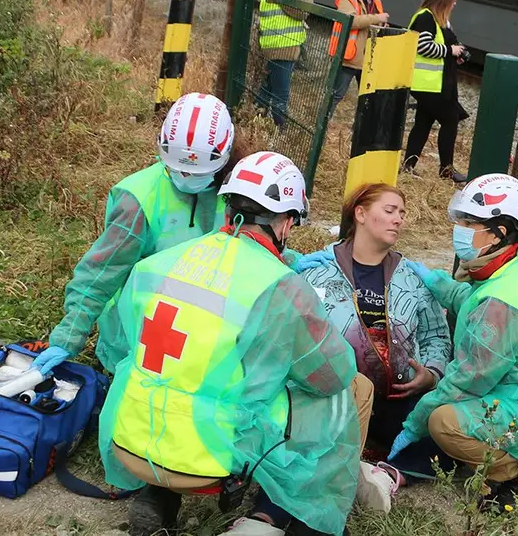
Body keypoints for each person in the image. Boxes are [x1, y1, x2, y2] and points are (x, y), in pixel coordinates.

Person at [98, 151, 361, 536]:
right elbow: (332, 376)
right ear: (286, 223)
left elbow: (117, 344)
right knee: (340, 400)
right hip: (206, 457)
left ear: (226, 205)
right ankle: (294, 518)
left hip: (130, 438)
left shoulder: (162, 262)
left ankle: (157, 498)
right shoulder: (283, 288)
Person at [394, 174, 518, 512]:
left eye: (469, 222)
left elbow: (465, 382)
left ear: (499, 232)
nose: (458, 228)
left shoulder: (502, 307)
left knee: (442, 422)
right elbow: (477, 303)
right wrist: (437, 282)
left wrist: (412, 426)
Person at [32, 93, 241, 376]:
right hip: (138, 341)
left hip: (205, 340)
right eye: (179, 169)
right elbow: (101, 273)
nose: (187, 178)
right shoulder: (139, 200)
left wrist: (285, 261)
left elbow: (250, 245)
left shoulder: (236, 193)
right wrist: (67, 338)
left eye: (198, 171)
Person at [292, 183, 455, 512]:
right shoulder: (316, 273)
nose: (398, 219)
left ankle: (385, 476)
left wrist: (432, 374)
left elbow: (437, 337)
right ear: (361, 214)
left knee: (448, 436)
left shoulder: (411, 278)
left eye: (402, 213)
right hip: (336, 396)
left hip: (397, 397)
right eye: (390, 210)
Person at [403, 0, 470, 183]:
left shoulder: (442, 21)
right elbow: (422, 46)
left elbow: (450, 44)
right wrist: (451, 51)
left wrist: (460, 53)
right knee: (450, 120)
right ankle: (446, 169)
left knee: (423, 123)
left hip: (437, 84)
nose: (456, 2)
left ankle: (408, 165)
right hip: (428, 85)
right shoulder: (425, 18)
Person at [257, 0, 313, 128]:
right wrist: (304, 5)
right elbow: (300, 9)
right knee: (281, 97)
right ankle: (282, 133)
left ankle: (255, 125)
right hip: (281, 45)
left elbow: (308, 2)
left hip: (284, 45)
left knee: (266, 92)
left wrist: (304, 3)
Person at [331, 0, 390, 111]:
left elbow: (374, 24)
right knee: (335, 96)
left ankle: (359, 132)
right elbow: (351, 22)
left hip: (368, 60)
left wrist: (382, 26)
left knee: (368, 100)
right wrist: (376, 18)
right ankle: (320, 128)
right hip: (348, 58)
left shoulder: (376, 1)